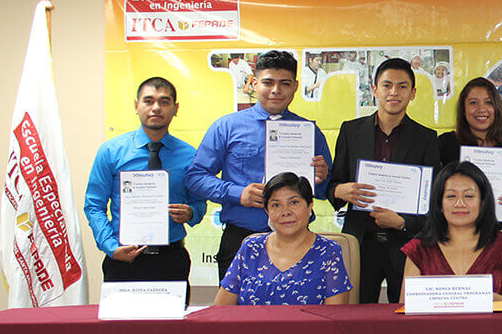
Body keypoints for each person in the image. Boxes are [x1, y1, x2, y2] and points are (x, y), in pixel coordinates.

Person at [187, 50, 332, 281]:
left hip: (298, 241)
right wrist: (237, 194)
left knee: (296, 314)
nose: (276, 90)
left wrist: (321, 179)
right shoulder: (226, 127)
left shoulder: (309, 132)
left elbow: (324, 192)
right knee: (237, 316)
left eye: (284, 83)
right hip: (241, 239)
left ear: (295, 86)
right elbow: (195, 177)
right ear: (254, 84)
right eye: (268, 83)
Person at [329, 57, 441, 303]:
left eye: (402, 86)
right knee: (355, 320)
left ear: (412, 93)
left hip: (406, 246)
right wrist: (341, 191)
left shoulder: (426, 138)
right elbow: (333, 185)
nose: (394, 92)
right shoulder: (350, 131)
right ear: (375, 89)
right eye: (387, 85)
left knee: (406, 321)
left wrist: (402, 222)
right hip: (360, 243)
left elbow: (432, 200)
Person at [84, 77, 206, 290]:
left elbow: (199, 203)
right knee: (122, 324)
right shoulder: (111, 151)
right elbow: (94, 205)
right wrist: (111, 248)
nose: (156, 108)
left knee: (171, 323)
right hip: (123, 258)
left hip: (171, 259)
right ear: (136, 105)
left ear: (175, 108)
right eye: (148, 101)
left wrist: (191, 213)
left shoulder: (190, 156)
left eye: (164, 102)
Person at [214, 172, 350, 306]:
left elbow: (334, 319)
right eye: (276, 205)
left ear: (310, 206)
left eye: (294, 202)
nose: (285, 212)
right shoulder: (251, 247)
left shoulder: (328, 251)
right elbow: (221, 310)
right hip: (252, 328)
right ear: (267, 211)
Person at [402, 162, 502, 301]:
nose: (459, 203)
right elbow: (406, 308)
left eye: (469, 196)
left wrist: (484, 298)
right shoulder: (418, 248)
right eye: (451, 196)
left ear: (483, 202)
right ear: (439, 204)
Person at [438, 77, 502, 230]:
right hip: (456, 232)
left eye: (488, 102)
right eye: (473, 103)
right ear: (463, 109)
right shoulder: (445, 143)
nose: (481, 109)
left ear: (497, 108)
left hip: (501, 230)